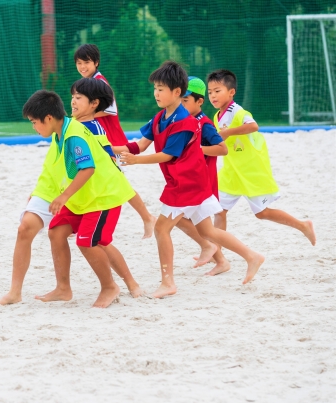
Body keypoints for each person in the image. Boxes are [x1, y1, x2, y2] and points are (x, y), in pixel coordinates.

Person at [119, 61, 264, 298]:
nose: (156, 93)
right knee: (209, 231)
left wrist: (136, 161)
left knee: (161, 228)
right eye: (155, 88)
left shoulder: (185, 122)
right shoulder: (158, 118)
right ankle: (252, 256)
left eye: (161, 88)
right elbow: (139, 145)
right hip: (189, 182)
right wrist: (106, 147)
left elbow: (167, 155)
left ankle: (168, 282)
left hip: (186, 183)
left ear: (177, 92)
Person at [0, 89, 143, 306]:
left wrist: (63, 196)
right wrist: (40, 193)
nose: (33, 127)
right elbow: (56, 168)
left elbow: (88, 168)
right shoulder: (60, 131)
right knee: (52, 231)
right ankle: (59, 288)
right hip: (76, 197)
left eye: (35, 122)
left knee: (92, 242)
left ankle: (112, 286)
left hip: (99, 197)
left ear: (49, 118)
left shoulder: (74, 133)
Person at [207, 69, 316, 246]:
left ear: (231, 92)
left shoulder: (238, 111)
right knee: (219, 211)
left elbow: (253, 126)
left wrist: (229, 132)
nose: (213, 95)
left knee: (262, 213)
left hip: (250, 171)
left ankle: (303, 225)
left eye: (217, 91)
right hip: (231, 171)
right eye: (210, 92)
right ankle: (216, 252)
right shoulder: (217, 115)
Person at [73, 44, 156, 239]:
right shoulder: (88, 82)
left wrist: (81, 114)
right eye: (79, 63)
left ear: (96, 62)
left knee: (117, 181)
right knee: (92, 176)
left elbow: (110, 109)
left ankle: (147, 217)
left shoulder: (100, 82)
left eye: (86, 62)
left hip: (108, 139)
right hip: (97, 138)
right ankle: (79, 219)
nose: (82, 66)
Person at [176, 76, 232, 276]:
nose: (181, 105)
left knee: (179, 219)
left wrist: (197, 150)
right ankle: (218, 257)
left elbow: (222, 149)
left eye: (185, 100)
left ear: (199, 101)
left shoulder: (205, 124)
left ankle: (221, 254)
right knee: (197, 224)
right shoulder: (186, 120)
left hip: (203, 181)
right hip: (191, 179)